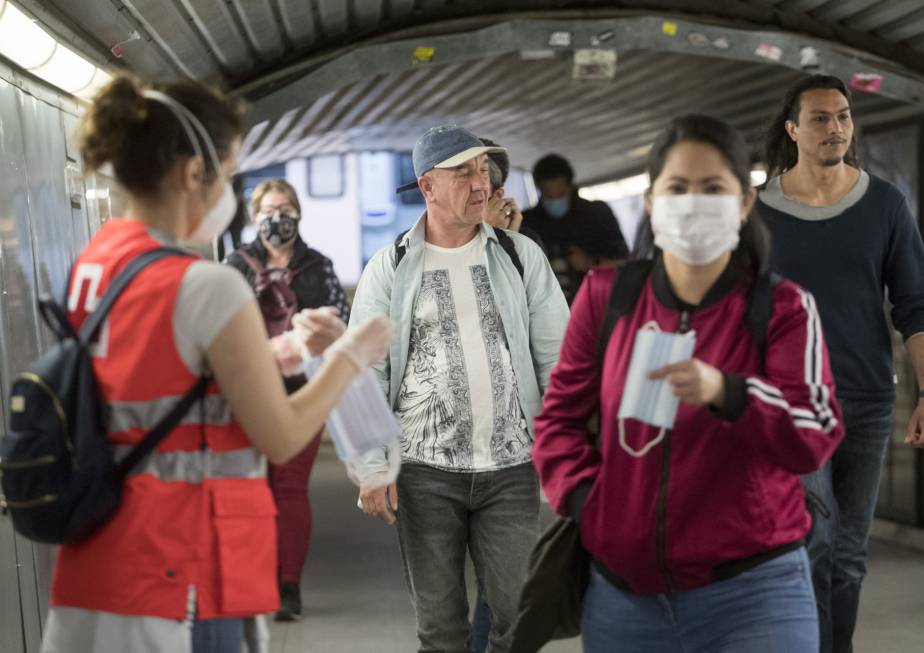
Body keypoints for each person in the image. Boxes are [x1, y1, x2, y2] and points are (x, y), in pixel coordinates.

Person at [40, 75, 392, 653]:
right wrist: (350, 354)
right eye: (228, 176)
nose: (228, 193)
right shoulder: (205, 285)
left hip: (102, 556)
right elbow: (280, 436)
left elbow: (158, 374)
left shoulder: (98, 263)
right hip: (184, 567)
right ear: (192, 173)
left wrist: (284, 351)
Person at [533, 114, 845, 653]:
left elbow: (813, 434)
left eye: (712, 189)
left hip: (755, 590)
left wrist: (730, 392)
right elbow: (557, 421)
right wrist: (590, 501)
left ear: (744, 202)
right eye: (677, 188)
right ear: (652, 201)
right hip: (624, 597)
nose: (693, 202)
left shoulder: (782, 307)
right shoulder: (609, 296)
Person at [351, 125, 569, 653]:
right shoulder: (391, 267)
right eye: (464, 172)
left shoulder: (520, 257)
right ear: (427, 186)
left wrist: (569, 453)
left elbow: (559, 360)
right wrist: (372, 465)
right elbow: (364, 374)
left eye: (485, 171)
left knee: (520, 622)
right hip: (425, 474)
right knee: (442, 631)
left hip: (512, 468)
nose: (482, 184)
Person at [758, 74, 924, 653]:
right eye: (819, 117)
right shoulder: (759, 214)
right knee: (810, 541)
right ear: (793, 130)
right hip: (792, 404)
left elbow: (915, 304)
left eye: (842, 116)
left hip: (865, 400)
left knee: (849, 556)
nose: (835, 127)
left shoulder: (885, 204)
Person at [225, 178, 350, 622]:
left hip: (303, 390)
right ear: (255, 216)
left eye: (285, 209)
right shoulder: (233, 267)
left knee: (290, 486)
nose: (277, 218)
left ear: (298, 213)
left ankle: (288, 586)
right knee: (252, 488)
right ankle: (257, 578)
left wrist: (314, 336)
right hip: (244, 395)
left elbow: (342, 325)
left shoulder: (319, 267)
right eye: (269, 210)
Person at [521, 153, 628, 303]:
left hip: (598, 304)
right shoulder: (528, 222)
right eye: (549, 197)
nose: (555, 201)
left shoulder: (597, 214)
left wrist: (591, 262)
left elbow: (625, 262)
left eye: (560, 195)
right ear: (539, 188)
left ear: (570, 186)